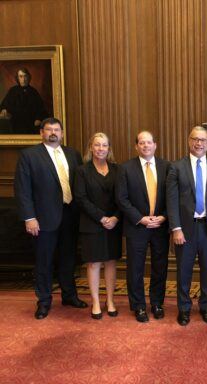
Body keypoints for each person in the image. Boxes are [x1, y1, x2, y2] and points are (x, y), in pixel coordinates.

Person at [14, 117, 87, 319]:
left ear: (62, 133)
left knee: (68, 258)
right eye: (49, 129)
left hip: (70, 215)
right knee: (44, 261)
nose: (53, 132)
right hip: (43, 218)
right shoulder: (29, 155)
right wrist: (29, 217)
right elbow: (23, 190)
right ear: (42, 133)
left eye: (57, 129)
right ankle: (44, 301)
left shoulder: (73, 154)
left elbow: (80, 185)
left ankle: (69, 295)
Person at [167, 126, 207, 326]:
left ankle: (206, 307)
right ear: (188, 141)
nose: (199, 143)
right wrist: (176, 228)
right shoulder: (176, 167)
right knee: (183, 271)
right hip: (185, 229)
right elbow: (172, 201)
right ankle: (184, 309)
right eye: (195, 139)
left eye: (203, 140)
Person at [116, 131, 170, 323]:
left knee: (159, 267)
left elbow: (172, 196)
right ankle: (138, 306)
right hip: (137, 226)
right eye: (141, 143)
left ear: (155, 145)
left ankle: (157, 303)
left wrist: (163, 217)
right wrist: (141, 218)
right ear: (136, 146)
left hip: (160, 226)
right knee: (135, 268)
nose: (146, 146)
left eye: (149, 142)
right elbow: (122, 199)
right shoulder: (125, 168)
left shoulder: (166, 167)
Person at [74, 133, 122, 320]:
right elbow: (81, 198)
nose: (101, 148)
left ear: (109, 148)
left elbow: (123, 198)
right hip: (92, 223)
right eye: (97, 145)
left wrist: (116, 218)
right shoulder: (82, 171)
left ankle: (110, 300)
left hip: (114, 224)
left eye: (104, 145)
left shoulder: (118, 170)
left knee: (111, 261)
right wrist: (102, 218)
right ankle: (95, 301)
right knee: (94, 263)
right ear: (91, 148)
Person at [0, 68, 48, 134]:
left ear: (29, 77)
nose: (23, 79)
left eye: (25, 76)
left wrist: (39, 118)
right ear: (17, 78)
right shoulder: (13, 91)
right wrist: (4, 109)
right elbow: (4, 104)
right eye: (21, 76)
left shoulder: (33, 92)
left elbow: (41, 109)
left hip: (30, 123)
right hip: (15, 123)